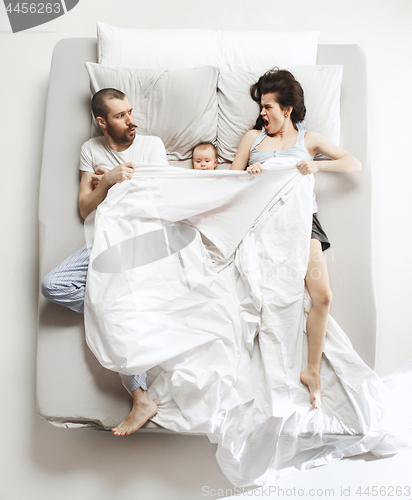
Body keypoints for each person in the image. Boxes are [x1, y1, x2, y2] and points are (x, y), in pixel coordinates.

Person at [230, 68, 361, 409]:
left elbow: (352, 163)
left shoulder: (309, 139)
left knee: (323, 295)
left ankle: (312, 371)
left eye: (268, 107)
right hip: (263, 224)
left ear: (286, 110)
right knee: (268, 299)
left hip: (303, 223)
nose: (262, 113)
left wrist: (317, 167)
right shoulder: (252, 140)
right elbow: (228, 185)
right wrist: (248, 175)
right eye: (260, 106)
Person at [42, 88, 168, 435]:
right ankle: (114, 309)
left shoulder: (151, 146)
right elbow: (85, 206)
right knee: (52, 285)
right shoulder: (90, 149)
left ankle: (140, 397)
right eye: (120, 116)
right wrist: (109, 181)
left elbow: (161, 200)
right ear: (102, 121)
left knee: (113, 303)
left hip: (140, 239)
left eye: (130, 112)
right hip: (103, 241)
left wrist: (115, 185)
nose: (131, 121)